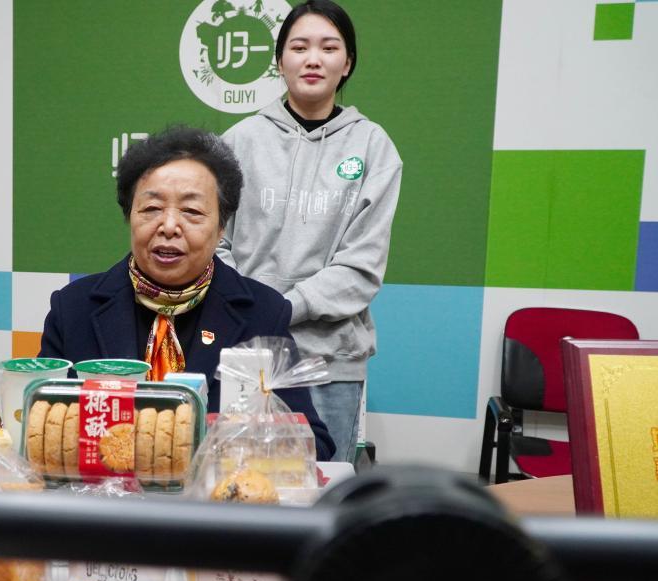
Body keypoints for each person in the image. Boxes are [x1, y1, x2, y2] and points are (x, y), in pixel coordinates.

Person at [39, 126, 334, 460]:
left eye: (192, 212)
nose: (168, 226)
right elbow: (40, 429)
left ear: (221, 227)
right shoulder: (73, 308)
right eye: (151, 209)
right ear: (130, 215)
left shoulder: (262, 314)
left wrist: (251, 444)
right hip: (103, 490)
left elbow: (315, 445)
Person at [217, 0, 402, 465]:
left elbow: (361, 267)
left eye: (329, 48)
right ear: (279, 62)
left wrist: (281, 308)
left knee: (322, 487)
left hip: (330, 361)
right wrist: (253, 310)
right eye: (299, 47)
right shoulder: (239, 141)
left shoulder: (373, 147)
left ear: (348, 63)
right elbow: (214, 244)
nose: (313, 59)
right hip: (245, 351)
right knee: (237, 481)